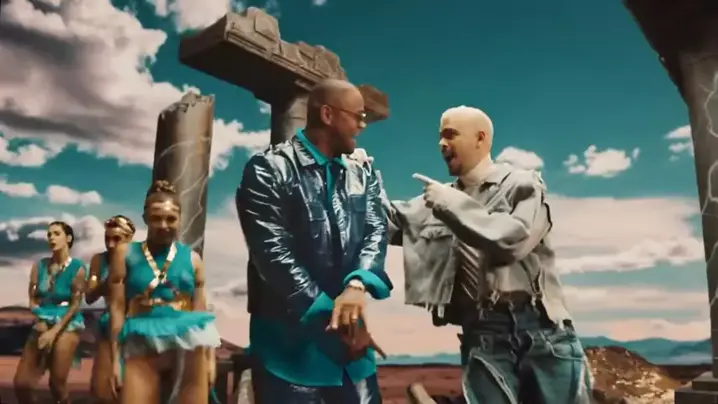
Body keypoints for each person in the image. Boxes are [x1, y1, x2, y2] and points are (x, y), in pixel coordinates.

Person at [370, 106, 592, 403]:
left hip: (542, 330)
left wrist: (450, 204)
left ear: (480, 138)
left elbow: (512, 243)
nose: (442, 144)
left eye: (450, 134)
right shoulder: (431, 202)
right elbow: (376, 223)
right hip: (483, 333)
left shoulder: (521, 185)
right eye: (440, 137)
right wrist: (357, 177)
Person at [237, 78, 392, 404]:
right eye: (358, 116)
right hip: (290, 354)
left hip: (353, 354)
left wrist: (358, 284)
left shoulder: (362, 172)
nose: (362, 126)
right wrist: (339, 322)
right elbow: (272, 253)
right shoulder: (268, 169)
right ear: (327, 115)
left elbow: (377, 229)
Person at [107, 180, 221, 404]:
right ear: (145, 218)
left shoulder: (193, 259)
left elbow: (201, 314)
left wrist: (210, 359)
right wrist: (115, 360)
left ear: (179, 219)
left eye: (170, 218)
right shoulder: (125, 253)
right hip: (141, 343)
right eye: (156, 218)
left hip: (189, 346)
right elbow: (117, 308)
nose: (163, 225)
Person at [14, 221, 87, 404]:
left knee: (57, 383)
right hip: (42, 320)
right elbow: (32, 299)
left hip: (67, 323)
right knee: (21, 384)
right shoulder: (39, 266)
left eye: (56, 234)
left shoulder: (78, 267)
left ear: (68, 238)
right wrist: (40, 318)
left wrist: (53, 332)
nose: (51, 238)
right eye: (49, 235)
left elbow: (75, 304)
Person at [86, 215, 136, 403]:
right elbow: (89, 296)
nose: (111, 244)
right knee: (102, 387)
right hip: (110, 325)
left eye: (117, 239)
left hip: (138, 324)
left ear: (130, 239)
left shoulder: (140, 260)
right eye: (107, 238)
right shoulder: (99, 260)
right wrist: (108, 283)